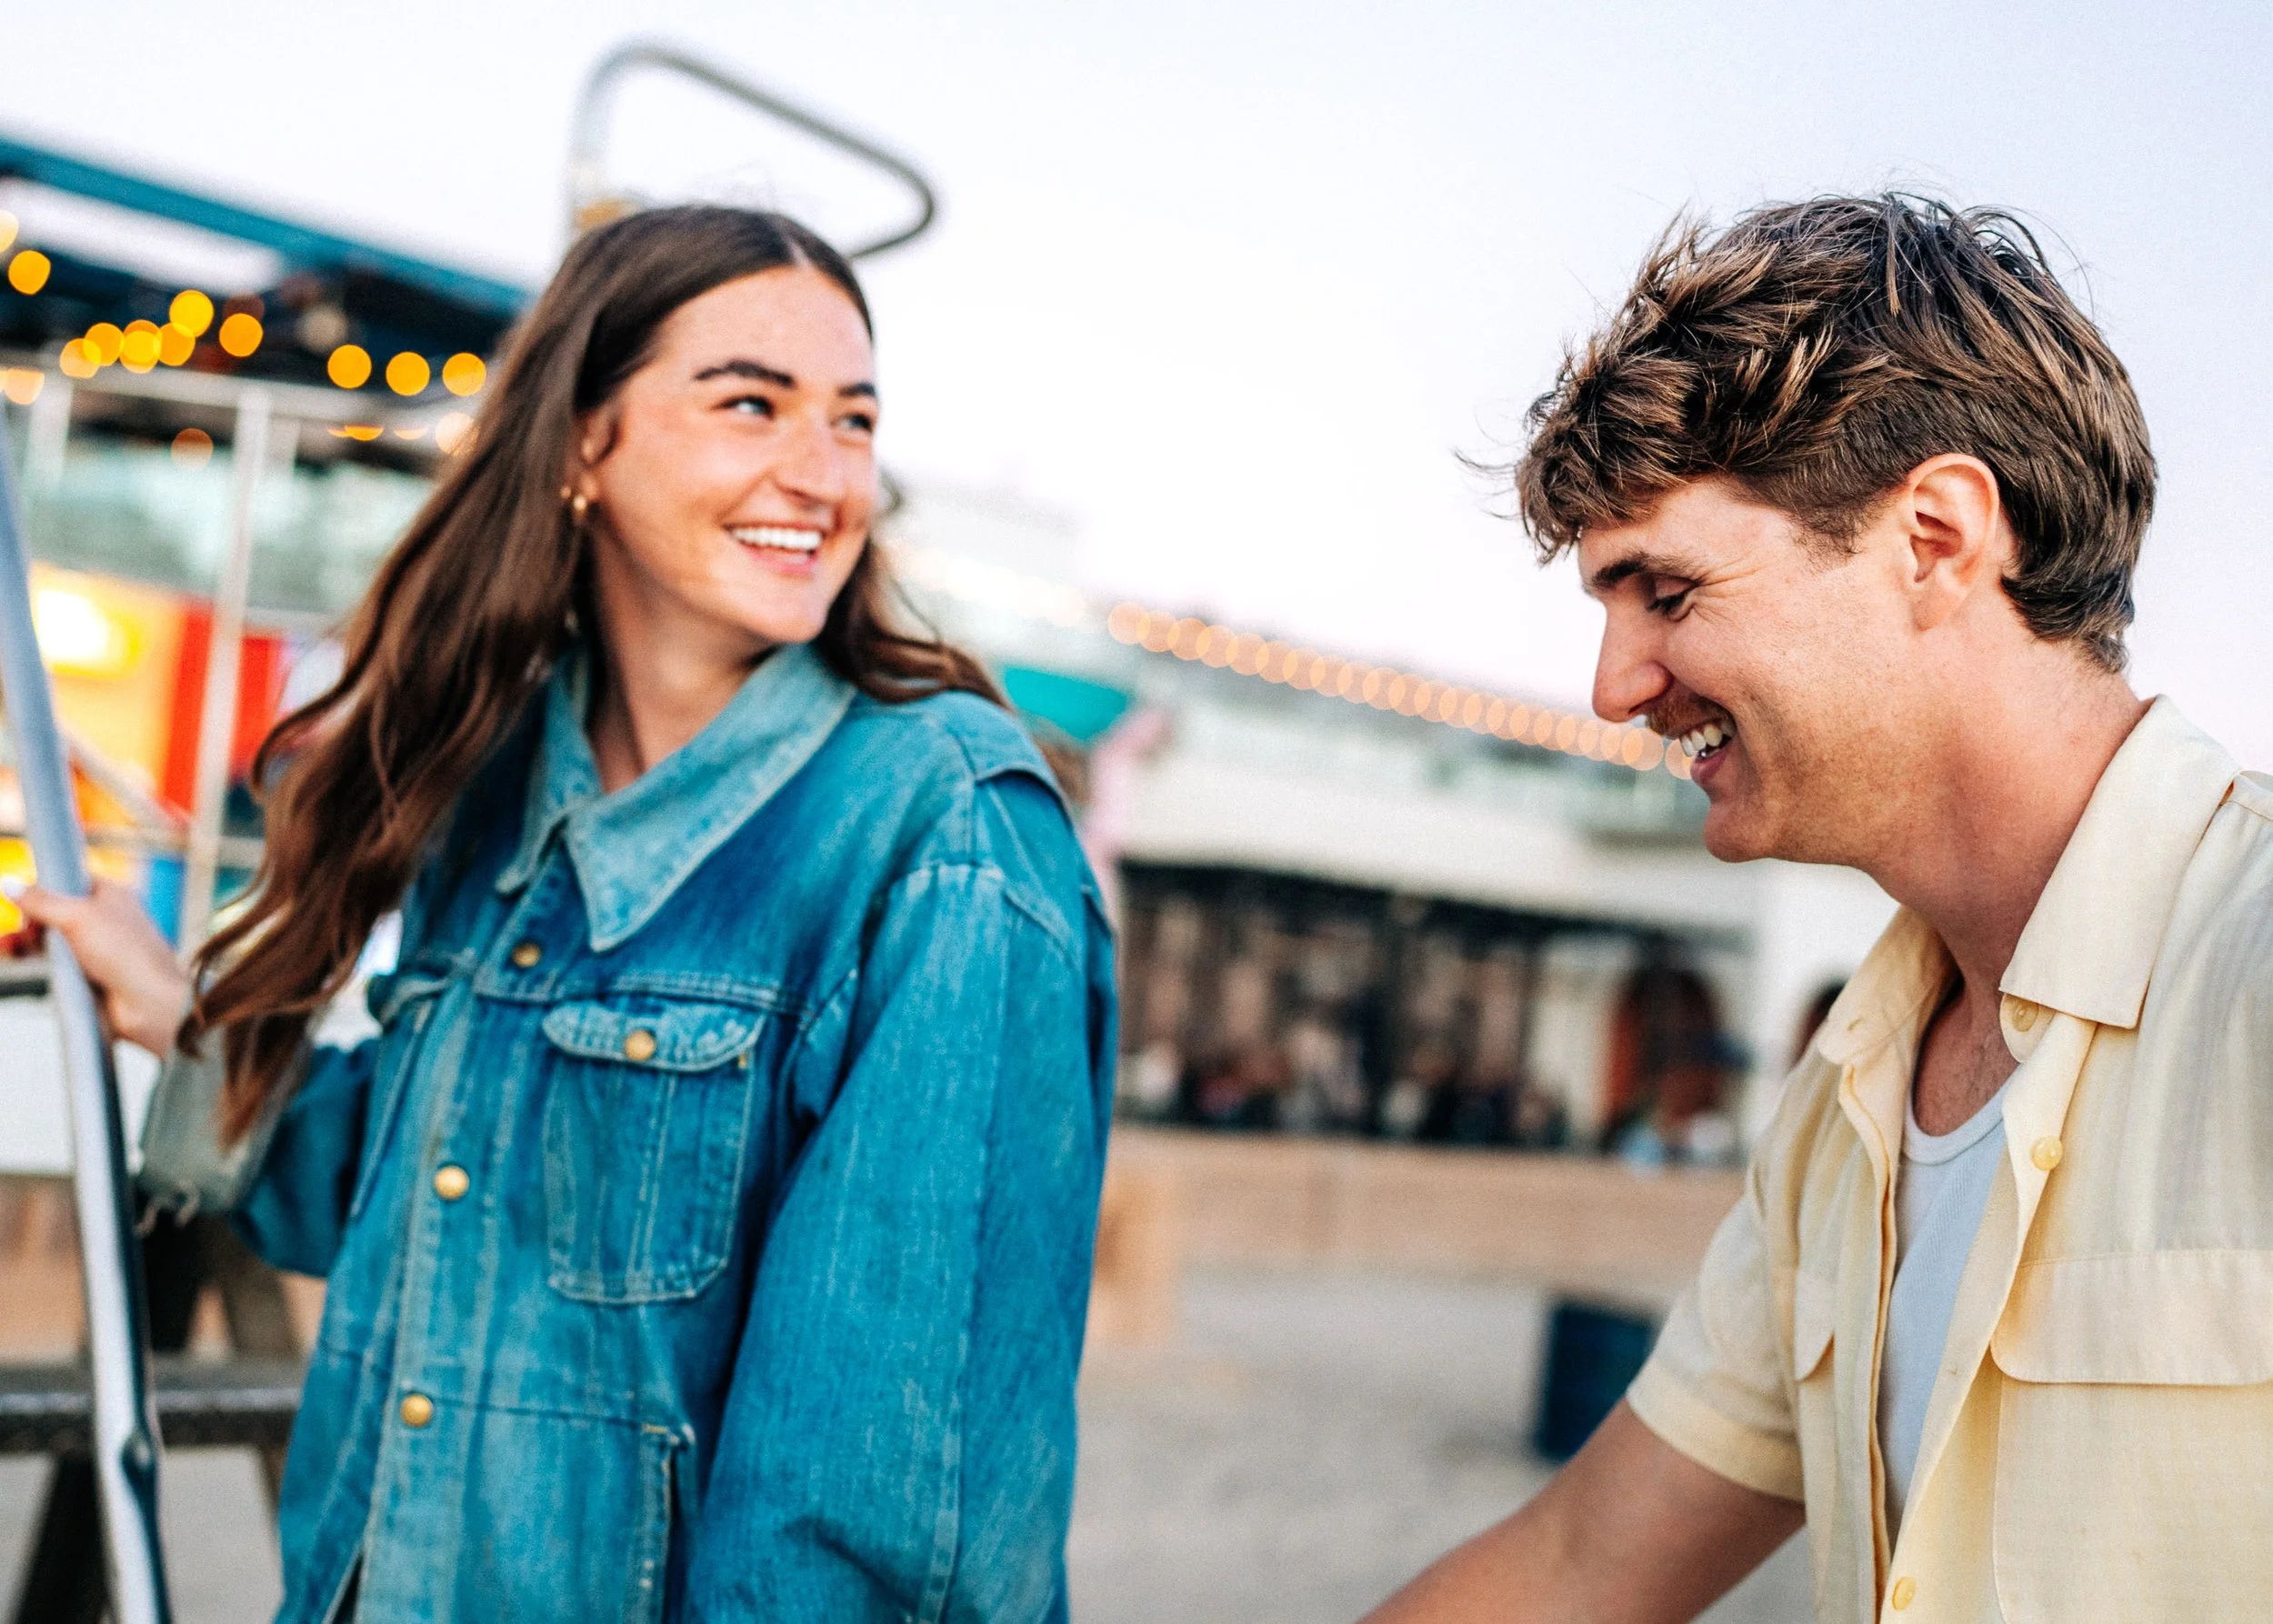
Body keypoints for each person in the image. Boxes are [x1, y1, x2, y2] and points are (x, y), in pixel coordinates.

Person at [17, 206, 1116, 1622]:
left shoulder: (945, 837)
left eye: (852, 420)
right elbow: (448, 1194)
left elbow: (889, 1527)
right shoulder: (492, 787)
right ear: (585, 442)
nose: (823, 474)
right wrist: (186, 1021)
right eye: (750, 405)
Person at [1367, 195, 2273, 1622]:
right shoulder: (1847, 1105)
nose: (1614, 686)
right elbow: (1577, 1568)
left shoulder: (2255, 969)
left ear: (1934, 538)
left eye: (1664, 589)